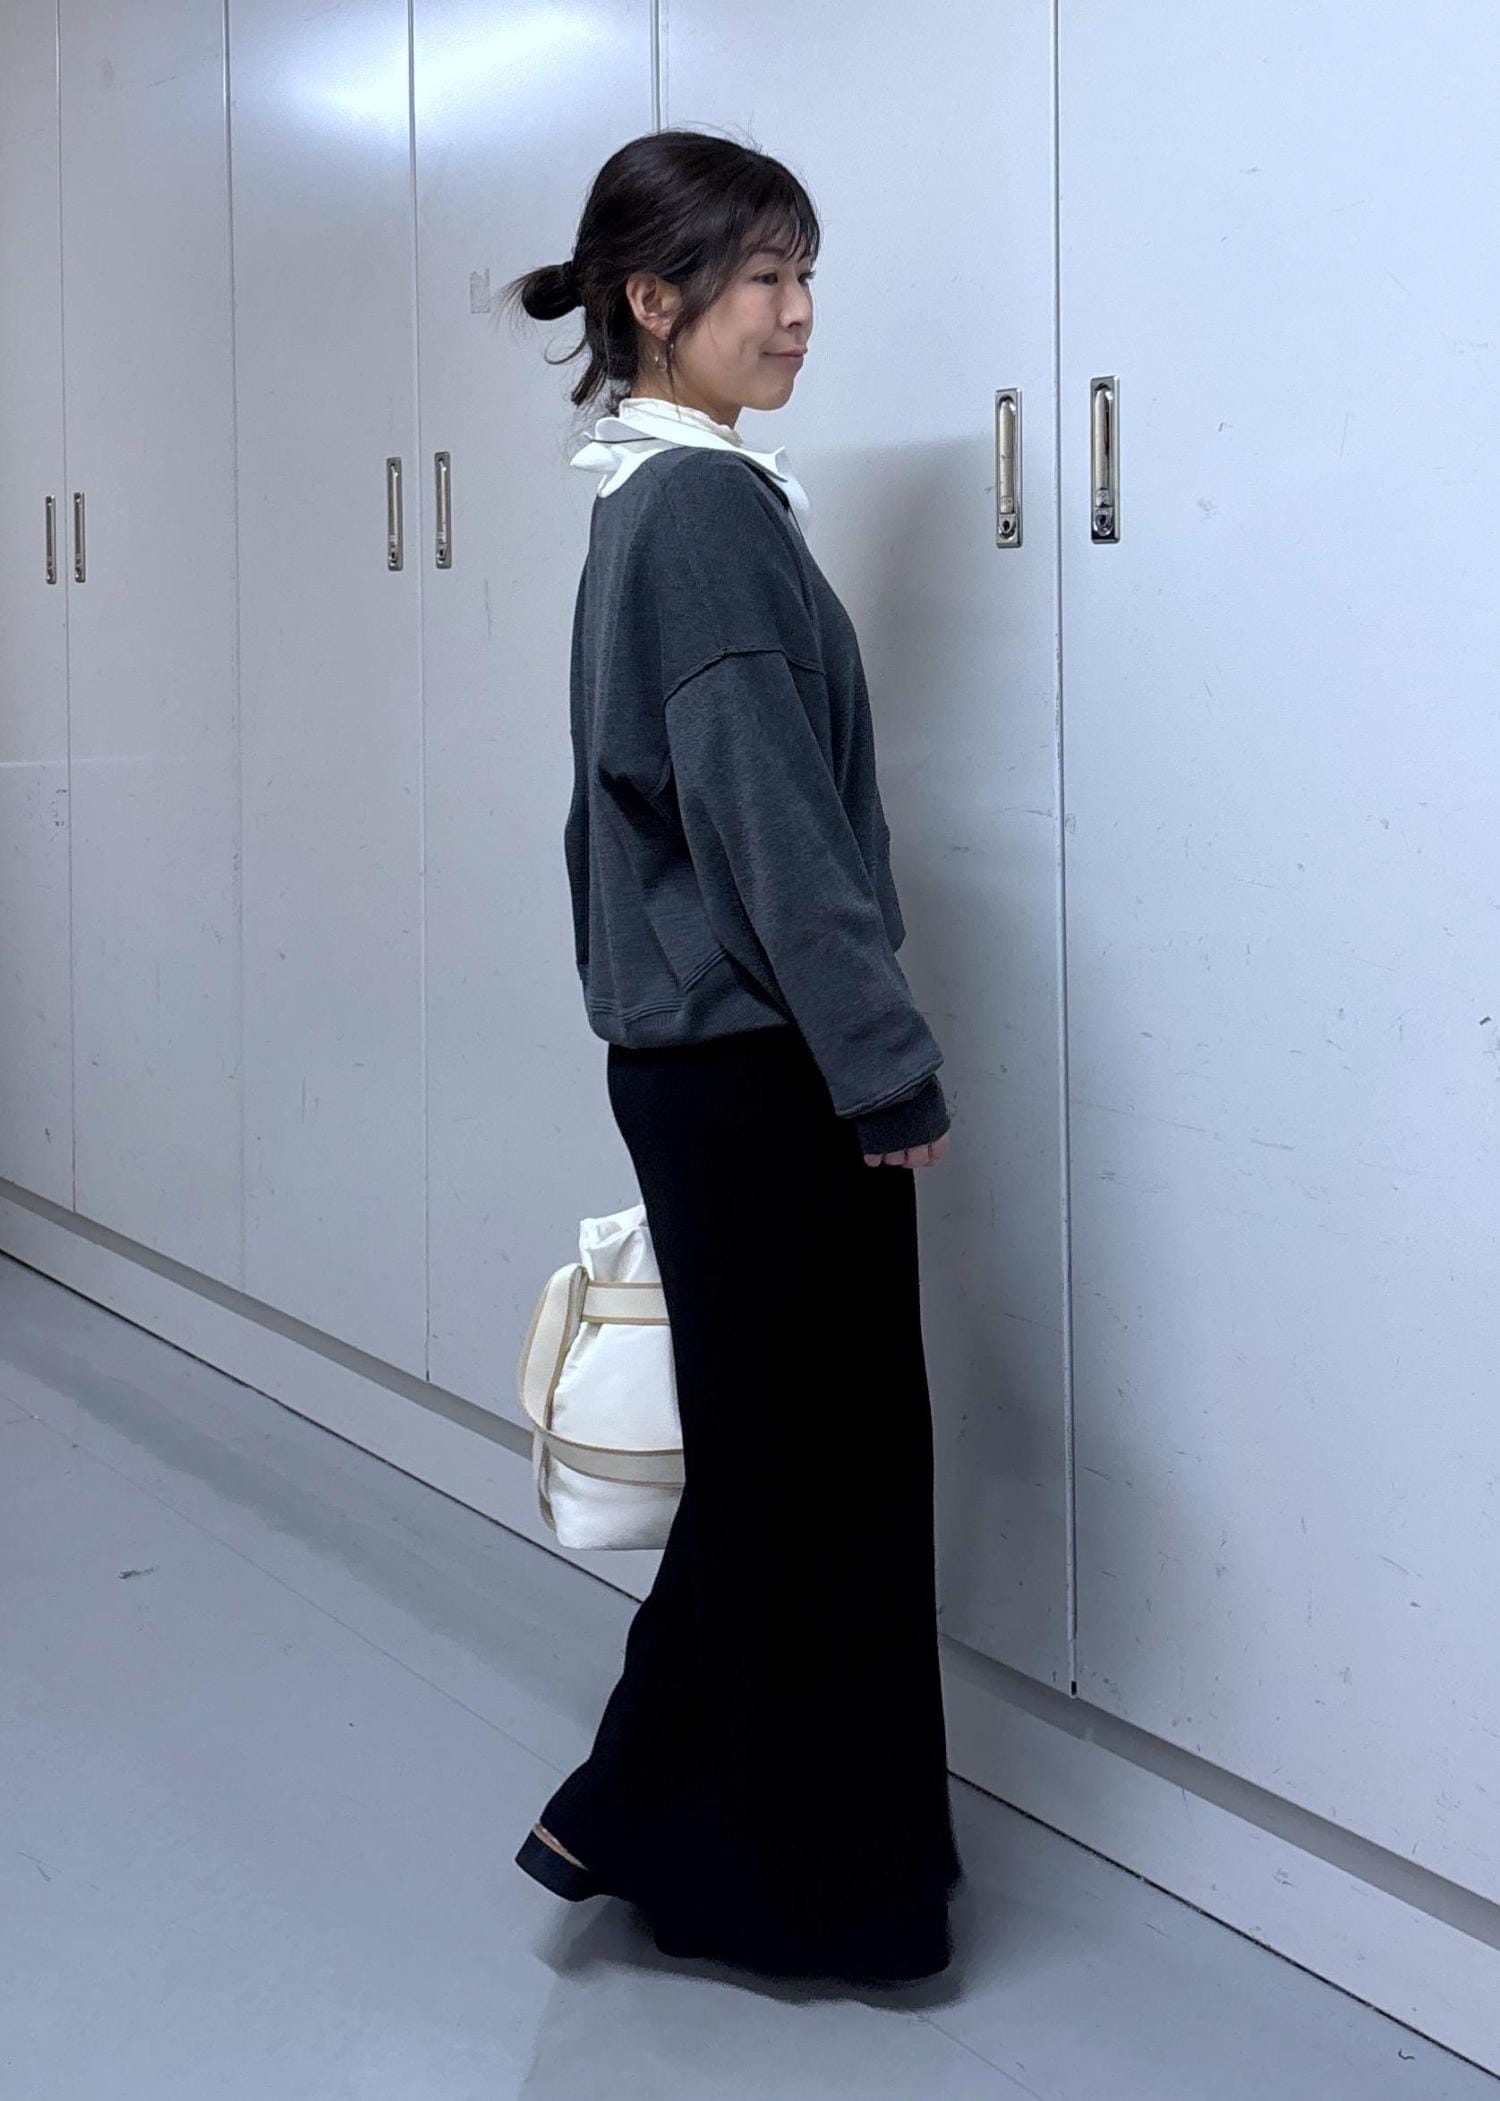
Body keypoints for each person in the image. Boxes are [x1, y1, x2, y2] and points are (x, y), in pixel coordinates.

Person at [501, 127, 963, 1987]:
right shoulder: (696, 511)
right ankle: (781, 1879)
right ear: (654, 298)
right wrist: (884, 1063)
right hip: (764, 1068)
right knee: (820, 1476)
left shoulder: (658, 494)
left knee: (787, 1471)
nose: (798, 311)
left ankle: (643, 1820)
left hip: (713, 1063)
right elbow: (769, 824)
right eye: (763, 276)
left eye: (802, 271)